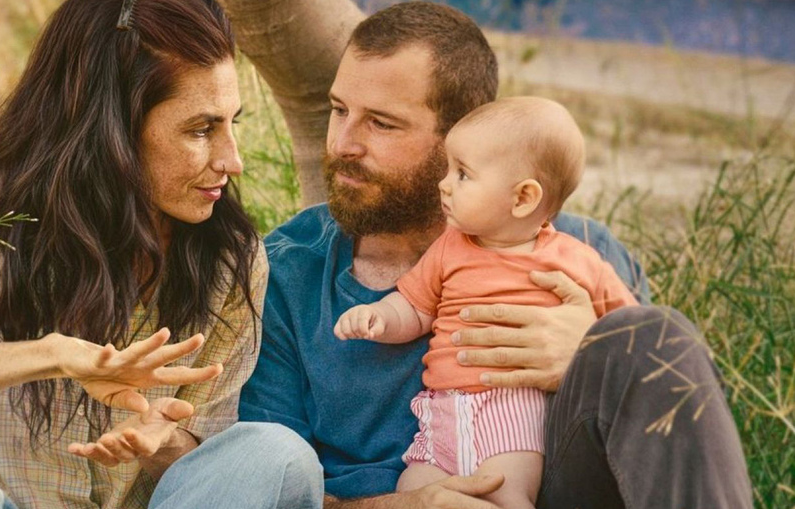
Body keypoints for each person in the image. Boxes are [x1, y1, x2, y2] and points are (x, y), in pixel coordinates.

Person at [233, 3, 752, 508]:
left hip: (543, 491)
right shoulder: (285, 273)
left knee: (653, 337)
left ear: (461, 134)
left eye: (382, 124)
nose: (343, 143)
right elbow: (268, 488)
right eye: (339, 110)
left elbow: (680, 439)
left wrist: (594, 352)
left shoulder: (578, 251)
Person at [0, 0, 323, 508]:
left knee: (278, 454)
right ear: (111, 126)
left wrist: (161, 441)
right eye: (201, 130)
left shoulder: (231, 257)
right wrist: (53, 356)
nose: (233, 160)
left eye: (231, 124)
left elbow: (213, 481)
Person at [333, 96, 639, 508]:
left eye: (463, 174)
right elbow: (415, 307)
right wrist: (379, 317)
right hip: (442, 409)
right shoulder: (450, 248)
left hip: (510, 405)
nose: (444, 184)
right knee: (415, 488)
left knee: (505, 492)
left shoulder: (574, 259)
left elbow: (635, 332)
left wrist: (589, 344)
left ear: (523, 198)